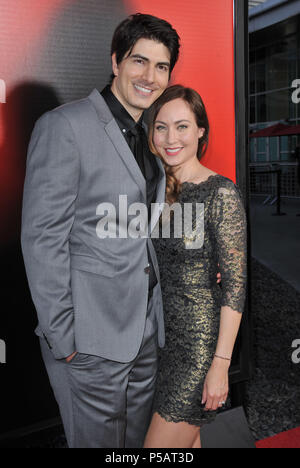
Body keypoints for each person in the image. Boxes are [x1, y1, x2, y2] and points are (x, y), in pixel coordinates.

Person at [21, 14, 180, 449]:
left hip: (145, 333)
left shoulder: (149, 135)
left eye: (161, 66)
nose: (149, 77)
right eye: (139, 61)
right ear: (115, 61)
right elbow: (42, 239)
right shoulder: (65, 126)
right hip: (89, 341)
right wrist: (64, 338)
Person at [143, 85, 247, 449]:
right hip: (161, 342)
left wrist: (220, 365)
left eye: (182, 126)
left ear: (201, 130)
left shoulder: (220, 192)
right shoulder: (156, 191)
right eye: (161, 127)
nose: (171, 138)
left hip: (198, 348)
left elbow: (235, 285)